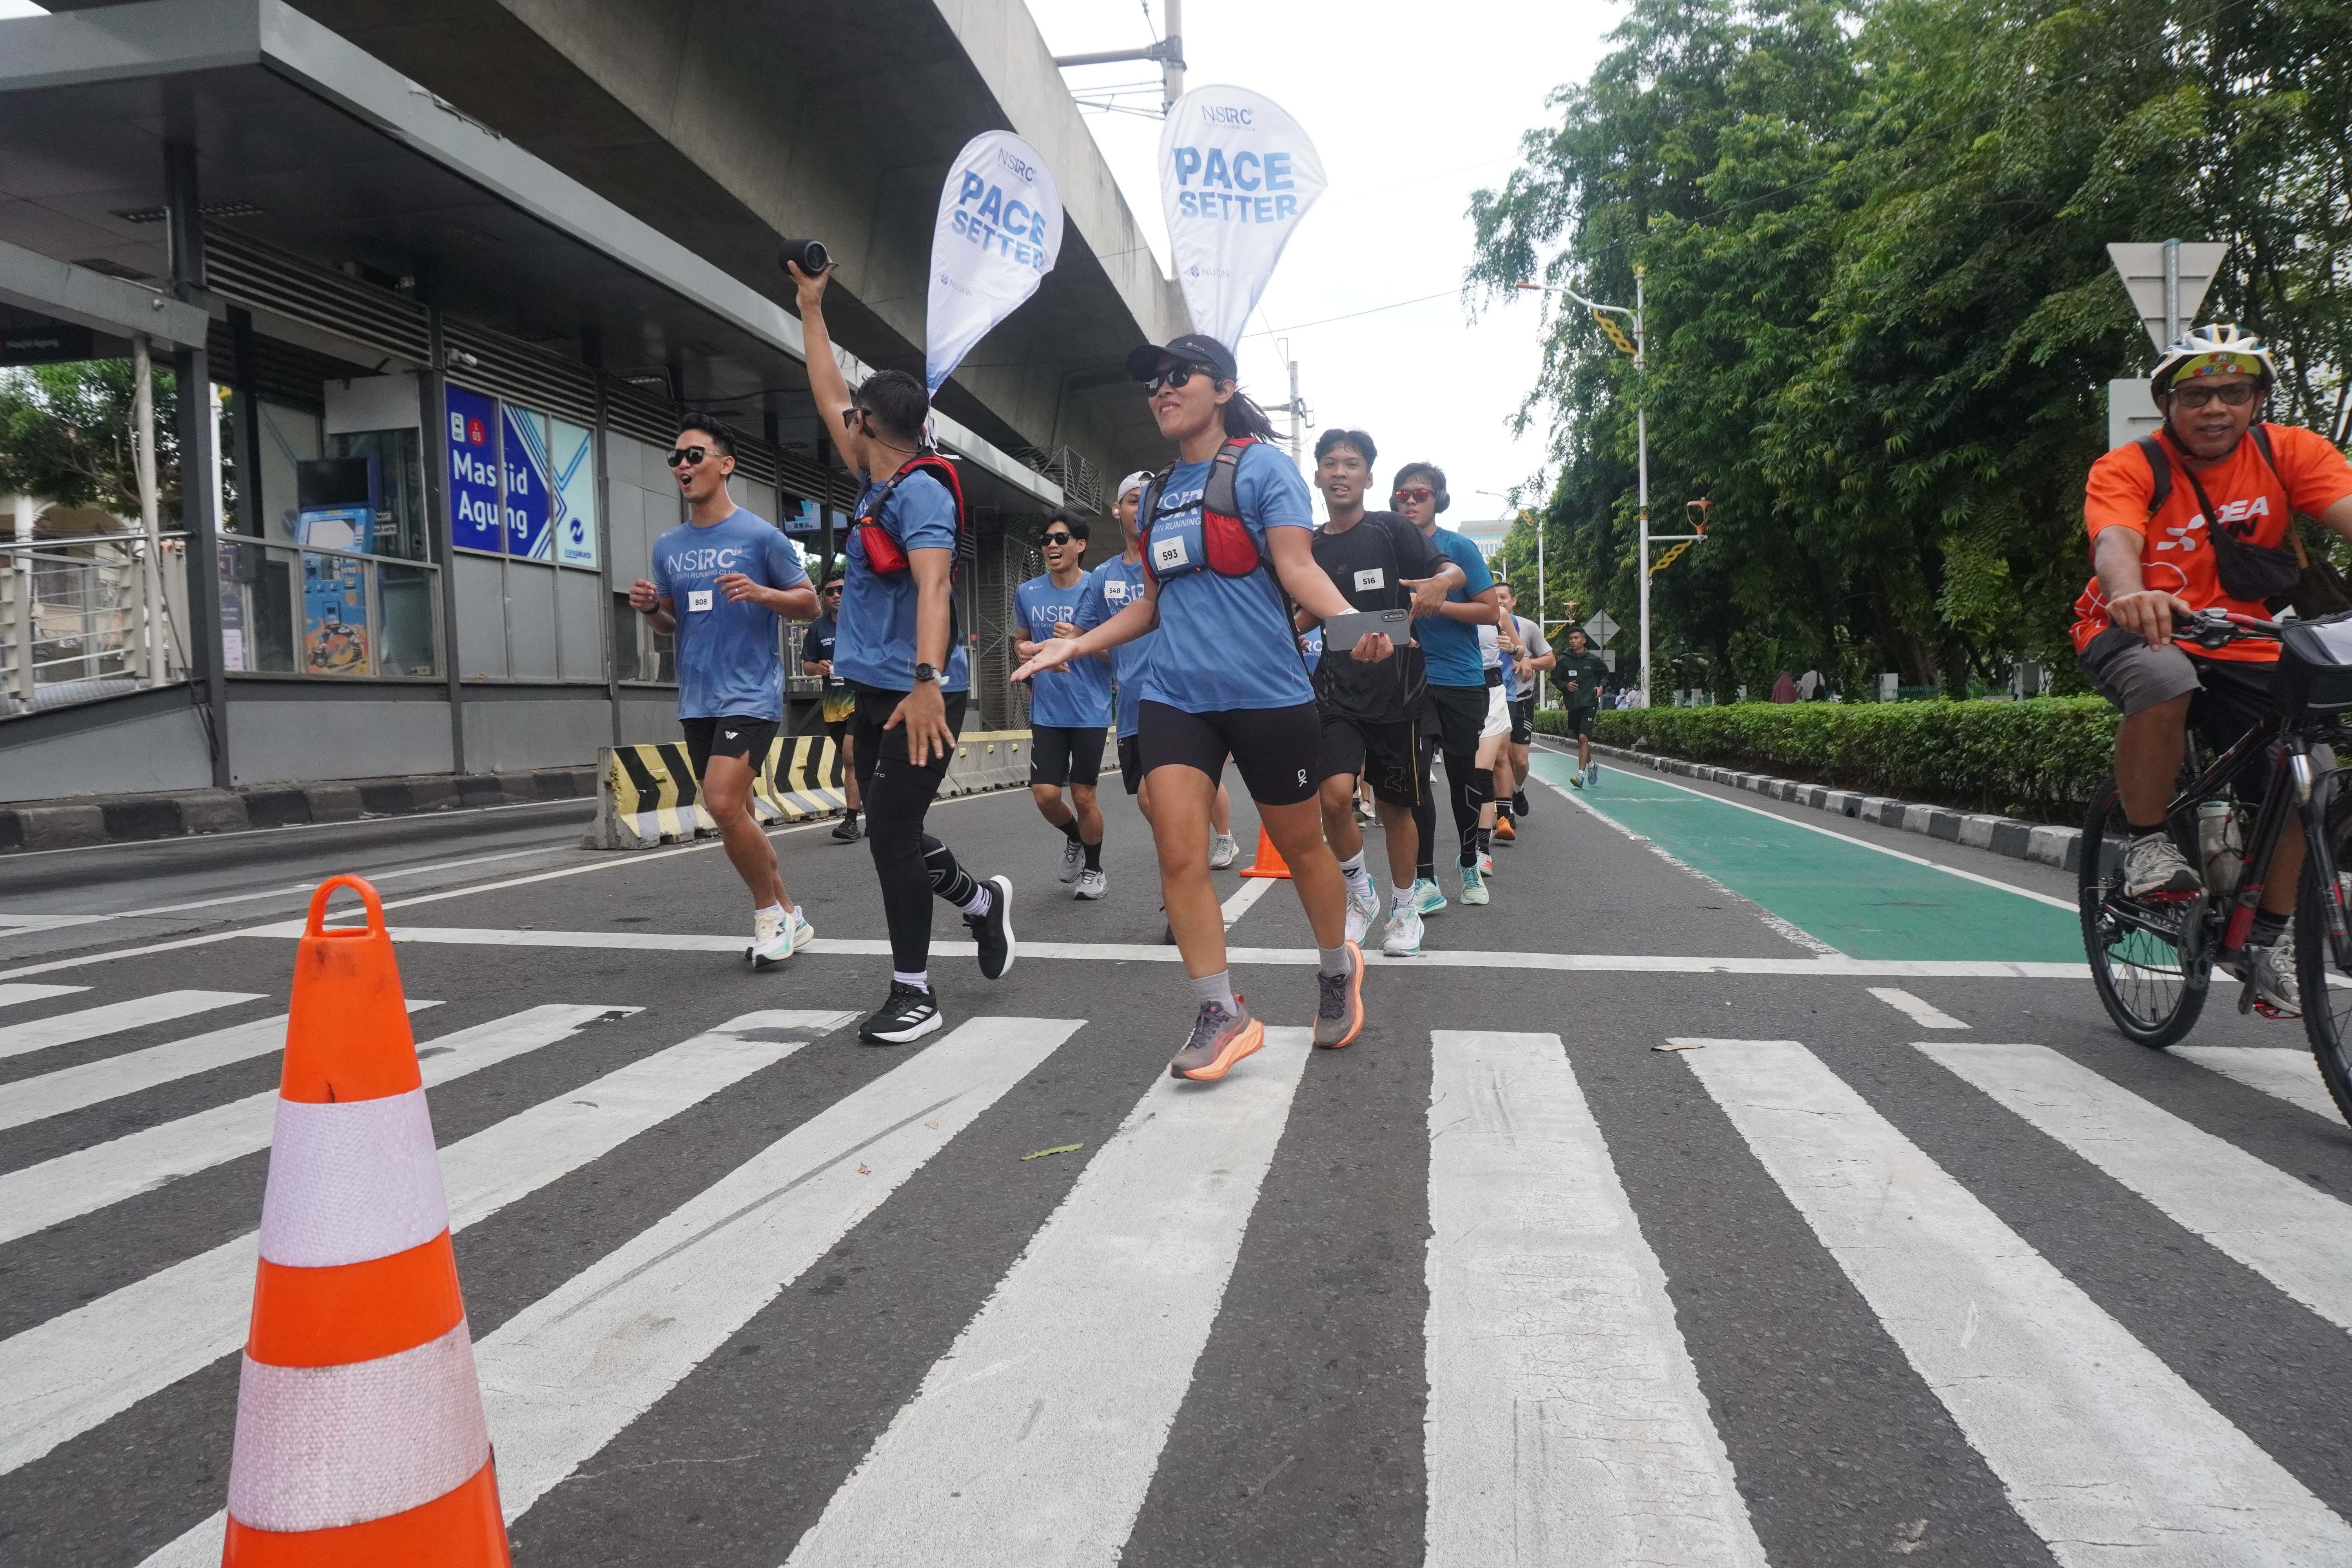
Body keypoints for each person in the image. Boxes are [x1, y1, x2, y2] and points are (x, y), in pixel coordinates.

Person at [1018, 333, 1367, 1081]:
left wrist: (1350, 623)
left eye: (1180, 376)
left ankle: (1337, 968)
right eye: (1154, 383)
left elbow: (1297, 566)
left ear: (1225, 387)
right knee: (1179, 851)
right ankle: (1220, 1011)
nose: (1163, 390)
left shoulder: (1263, 469)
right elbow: (1150, 603)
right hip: (1176, 696)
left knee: (1302, 847)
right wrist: (1072, 647)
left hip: (1268, 692)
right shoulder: (1157, 496)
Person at [2071, 324, 2352, 1016]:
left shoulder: (2290, 453)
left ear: (2258, 400)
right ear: (2167, 404)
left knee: (2311, 774)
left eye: (2234, 392)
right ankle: (2146, 844)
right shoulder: (2131, 466)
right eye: (2197, 395)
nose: (2216, 408)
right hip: (2137, 625)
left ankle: (2267, 941)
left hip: (2252, 641)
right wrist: (2130, 593)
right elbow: (2114, 539)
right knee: (2164, 678)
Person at [789, 258, 1015, 1044]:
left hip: (922, 693)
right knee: (895, 825)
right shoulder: (874, 481)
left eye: (850, 415)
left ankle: (915, 992)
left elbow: (935, 587)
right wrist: (811, 308)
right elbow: (827, 388)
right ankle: (981, 902)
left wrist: (925, 681)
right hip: (874, 688)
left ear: (867, 423)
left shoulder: (920, 491)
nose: (840, 418)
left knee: (889, 833)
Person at [629, 416, 820, 968]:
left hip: (751, 694)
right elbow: (671, 624)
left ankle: (769, 916)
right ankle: (792, 914)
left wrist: (761, 593)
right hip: (698, 698)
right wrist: (651, 609)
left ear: (725, 464)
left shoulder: (762, 537)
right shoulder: (669, 545)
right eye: (676, 458)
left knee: (719, 802)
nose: (682, 466)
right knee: (738, 811)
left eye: (694, 455)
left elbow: (810, 603)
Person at [1301, 428, 1462, 957]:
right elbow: (1306, 610)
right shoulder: (1309, 545)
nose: (1340, 472)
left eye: (1352, 464)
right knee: (1333, 798)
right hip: (1334, 691)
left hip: (1399, 694)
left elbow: (1449, 570)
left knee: (1395, 810)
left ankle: (1404, 909)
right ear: (1318, 476)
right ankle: (1361, 894)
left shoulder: (1390, 529)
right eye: (1331, 463)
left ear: (1369, 478)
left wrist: (1442, 582)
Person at [1085, 473, 1245, 869]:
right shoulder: (1104, 576)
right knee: (1157, 799)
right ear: (1116, 510)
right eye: (1133, 500)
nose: (1140, 509)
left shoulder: (1176, 561)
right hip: (1132, 703)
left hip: (1179, 695)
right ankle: (1186, 859)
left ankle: (1208, 847)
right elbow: (1096, 635)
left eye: (1148, 501)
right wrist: (1079, 646)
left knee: (1160, 793)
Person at [1391, 462, 1503, 907]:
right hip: (1409, 681)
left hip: (1461, 680)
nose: (1411, 501)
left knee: (1463, 778)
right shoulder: (1388, 551)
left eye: (1420, 494)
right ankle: (1426, 880)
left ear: (1438, 498)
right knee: (1417, 779)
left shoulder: (1459, 548)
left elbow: (1490, 611)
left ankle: (1469, 861)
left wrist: (1435, 605)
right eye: (1403, 494)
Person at [1015, 513, 1114, 899]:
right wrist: (1029, 654)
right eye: (1046, 540)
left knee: (1084, 796)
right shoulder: (1028, 592)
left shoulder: (1098, 588)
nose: (1052, 545)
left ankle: (1094, 870)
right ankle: (1075, 837)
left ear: (1080, 545)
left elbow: (1115, 653)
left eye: (1061, 538)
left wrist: (1078, 642)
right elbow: (1021, 642)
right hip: (1048, 709)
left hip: (1090, 709)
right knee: (1046, 795)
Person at [801, 576, 865, 840]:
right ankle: (876, 814)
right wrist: (818, 668)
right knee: (858, 762)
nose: (837, 595)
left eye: (841, 590)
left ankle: (850, 822)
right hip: (833, 706)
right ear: (824, 598)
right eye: (830, 592)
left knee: (851, 757)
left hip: (863, 702)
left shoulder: (865, 621)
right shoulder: (819, 628)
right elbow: (807, 665)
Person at [1493, 583, 1553, 831]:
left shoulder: (1528, 627)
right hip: (1495, 699)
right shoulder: (1481, 625)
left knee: (1519, 760)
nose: (1499, 602)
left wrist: (1527, 662)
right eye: (1494, 598)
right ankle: (1504, 809)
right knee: (1499, 756)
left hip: (1522, 698)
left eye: (1504, 597)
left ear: (1514, 601)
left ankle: (1517, 790)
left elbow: (1551, 660)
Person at [1550, 622, 1608, 786]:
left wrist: (1602, 687)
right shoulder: (1564, 661)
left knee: (1584, 737)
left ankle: (1580, 776)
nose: (1573, 641)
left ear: (1584, 641)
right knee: (1581, 741)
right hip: (1573, 705)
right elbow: (1555, 679)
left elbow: (1605, 674)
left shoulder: (1594, 660)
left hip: (1589, 703)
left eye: (1576, 638)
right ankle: (1592, 765)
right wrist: (1565, 686)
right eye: (1571, 639)